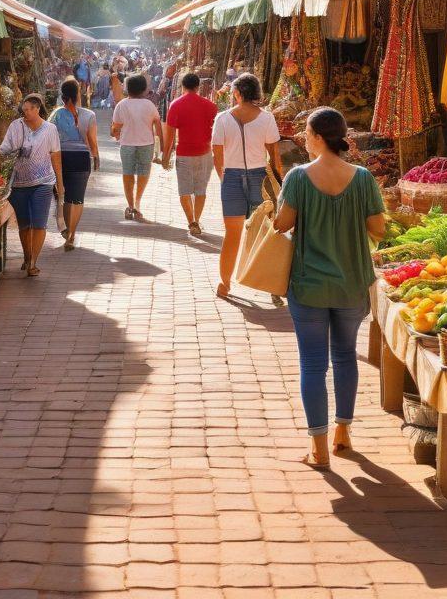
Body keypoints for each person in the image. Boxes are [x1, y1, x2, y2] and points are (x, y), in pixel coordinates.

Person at [272, 108, 387, 466]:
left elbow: (281, 224)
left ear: (320, 137)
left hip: (308, 286)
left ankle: (318, 449)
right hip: (351, 284)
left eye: (307, 133)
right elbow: (379, 229)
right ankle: (343, 433)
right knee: (345, 356)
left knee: (312, 364)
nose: (304, 139)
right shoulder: (364, 178)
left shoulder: (298, 177)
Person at [211, 72, 283, 299]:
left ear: (237, 93)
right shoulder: (267, 118)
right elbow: (274, 155)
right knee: (267, 232)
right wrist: (279, 180)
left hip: (231, 177)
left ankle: (225, 284)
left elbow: (217, 154)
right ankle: (272, 286)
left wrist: (224, 179)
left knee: (232, 234)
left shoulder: (222, 118)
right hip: (260, 177)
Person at [0, 94, 63, 277]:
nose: (25, 112)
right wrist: (9, 151)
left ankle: (33, 262)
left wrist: (60, 183)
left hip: (43, 182)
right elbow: (4, 149)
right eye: (23, 109)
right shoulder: (15, 126)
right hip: (18, 183)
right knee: (24, 225)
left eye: (28, 109)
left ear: (37, 109)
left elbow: (56, 156)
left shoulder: (50, 129)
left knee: (39, 224)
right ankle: (27, 257)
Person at [161, 72, 218, 236]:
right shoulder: (210, 106)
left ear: (183, 86)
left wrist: (165, 157)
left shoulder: (176, 105)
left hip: (184, 153)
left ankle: (191, 221)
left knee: (185, 190)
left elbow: (170, 134)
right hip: (205, 153)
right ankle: (197, 219)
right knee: (200, 189)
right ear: (198, 87)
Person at [48, 79, 99, 251]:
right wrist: (96, 157)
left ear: (62, 96)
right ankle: (71, 235)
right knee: (77, 198)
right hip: (81, 159)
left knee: (65, 197)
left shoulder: (55, 115)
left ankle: (66, 228)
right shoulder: (89, 115)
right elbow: (92, 141)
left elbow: (49, 139)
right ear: (77, 95)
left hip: (60, 159)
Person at [111, 73, 163, 222]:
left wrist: (115, 133)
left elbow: (116, 128)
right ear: (144, 89)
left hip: (127, 144)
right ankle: (138, 202)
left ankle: (130, 204)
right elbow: (158, 128)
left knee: (127, 175)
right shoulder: (150, 105)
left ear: (128, 88)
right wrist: (162, 150)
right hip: (146, 144)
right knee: (143, 174)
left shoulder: (121, 105)